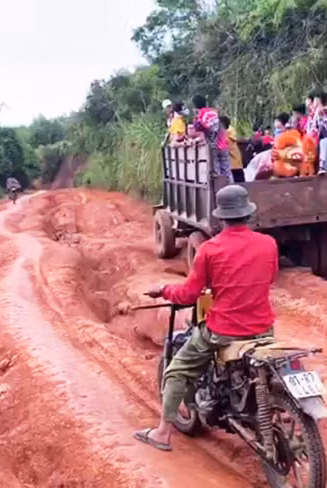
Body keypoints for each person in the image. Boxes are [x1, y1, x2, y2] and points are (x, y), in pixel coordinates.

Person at [134, 185, 278, 452]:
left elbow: (189, 295)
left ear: (221, 217)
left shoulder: (210, 250)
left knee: (176, 370)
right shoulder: (268, 244)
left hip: (223, 331)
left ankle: (163, 434)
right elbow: (269, 279)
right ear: (247, 214)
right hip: (263, 330)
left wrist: (163, 290)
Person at [192, 95, 233, 182]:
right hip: (223, 144)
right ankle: (231, 188)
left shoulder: (200, 115)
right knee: (226, 170)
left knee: (216, 170)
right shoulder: (214, 112)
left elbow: (197, 128)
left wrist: (196, 117)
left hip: (213, 146)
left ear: (195, 105)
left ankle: (220, 190)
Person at [221, 116, 245, 183]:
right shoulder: (224, 131)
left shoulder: (229, 130)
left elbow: (228, 143)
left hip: (233, 161)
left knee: (238, 179)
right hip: (230, 161)